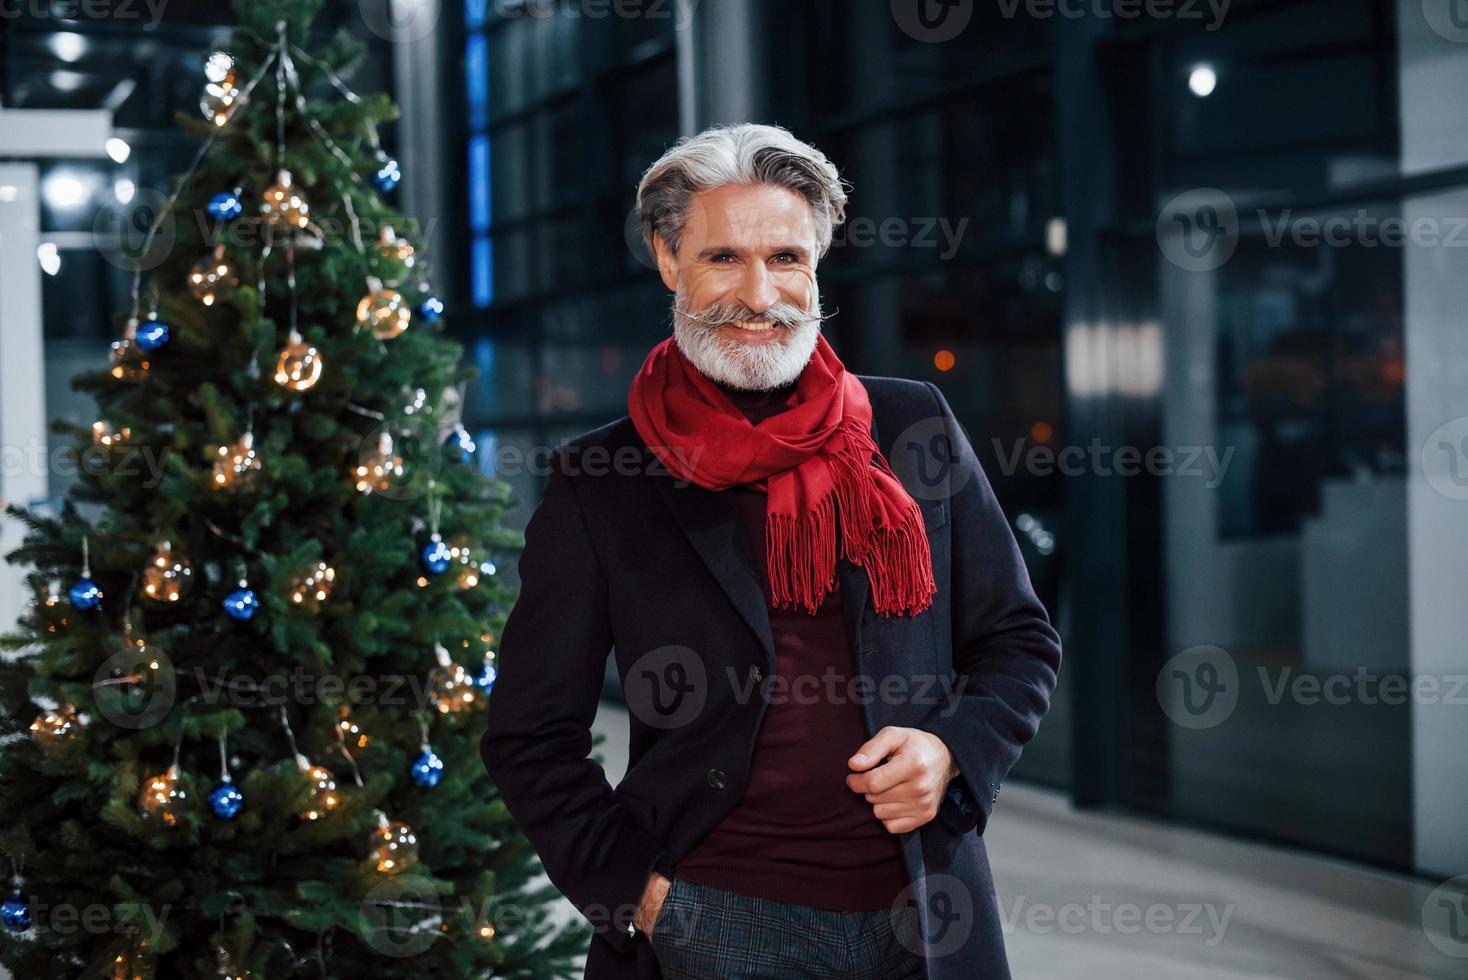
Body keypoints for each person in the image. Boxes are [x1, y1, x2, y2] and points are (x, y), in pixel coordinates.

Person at [480, 123, 1062, 980]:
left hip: (929, 911)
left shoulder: (912, 426)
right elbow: (530, 734)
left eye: (787, 257)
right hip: (710, 921)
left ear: (816, 267)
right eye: (724, 259)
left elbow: (1017, 641)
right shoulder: (601, 480)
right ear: (670, 260)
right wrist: (640, 898)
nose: (762, 294)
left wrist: (952, 752)